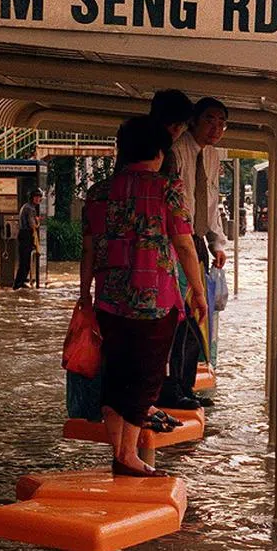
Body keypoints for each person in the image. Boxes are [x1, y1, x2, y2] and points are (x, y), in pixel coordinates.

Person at [78, 116, 208, 478]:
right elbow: (183, 244)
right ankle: (128, 456)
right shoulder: (166, 188)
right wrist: (198, 291)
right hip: (154, 298)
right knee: (147, 375)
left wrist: (85, 294)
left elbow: (88, 249)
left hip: (109, 298)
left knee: (117, 372)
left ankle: (121, 453)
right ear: (159, 151)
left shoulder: (99, 192)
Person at [158, 97, 229, 409]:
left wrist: (218, 244)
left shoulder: (212, 156)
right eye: (210, 120)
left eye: (222, 123)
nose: (216, 128)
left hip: (197, 240)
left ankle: (185, 386)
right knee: (177, 317)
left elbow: (211, 202)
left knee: (195, 317)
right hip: (174, 237)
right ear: (194, 121)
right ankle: (170, 387)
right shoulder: (176, 151)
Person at [12, 188, 42, 289]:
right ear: (32, 198)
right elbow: (32, 224)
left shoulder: (27, 206)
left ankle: (20, 282)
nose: (38, 199)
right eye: (36, 197)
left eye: (39, 197)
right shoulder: (30, 209)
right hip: (26, 235)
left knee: (25, 261)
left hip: (24, 235)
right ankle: (18, 284)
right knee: (24, 262)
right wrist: (38, 222)